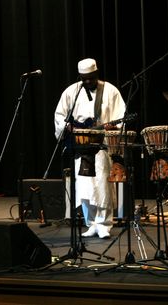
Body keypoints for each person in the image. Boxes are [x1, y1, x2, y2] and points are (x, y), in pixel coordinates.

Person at [54, 58, 126, 239]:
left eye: (91, 78)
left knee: (101, 184)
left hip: (101, 145)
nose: (87, 82)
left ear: (97, 73)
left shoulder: (110, 91)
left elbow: (121, 114)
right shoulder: (72, 91)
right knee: (85, 185)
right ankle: (91, 223)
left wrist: (114, 128)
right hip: (81, 146)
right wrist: (68, 127)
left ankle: (104, 223)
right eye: (84, 78)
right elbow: (60, 115)